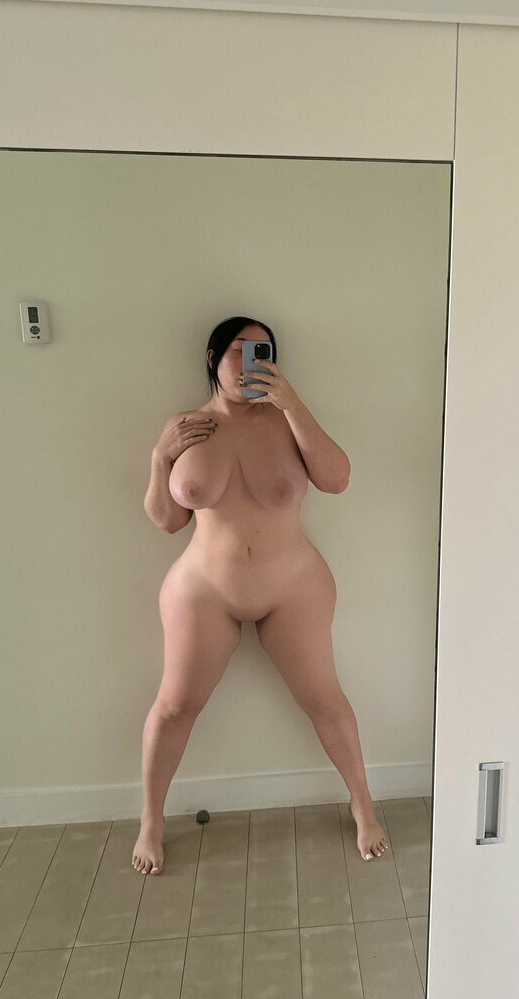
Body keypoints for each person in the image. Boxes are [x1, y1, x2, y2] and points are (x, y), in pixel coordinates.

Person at [132, 315, 389, 874]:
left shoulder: (286, 419)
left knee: (325, 700)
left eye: (264, 352)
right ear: (212, 357)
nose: (252, 361)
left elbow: (337, 479)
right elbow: (167, 520)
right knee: (174, 707)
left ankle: (363, 805)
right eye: (240, 350)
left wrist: (292, 403)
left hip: (292, 584)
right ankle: (151, 821)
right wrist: (159, 457)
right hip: (205, 589)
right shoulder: (186, 427)